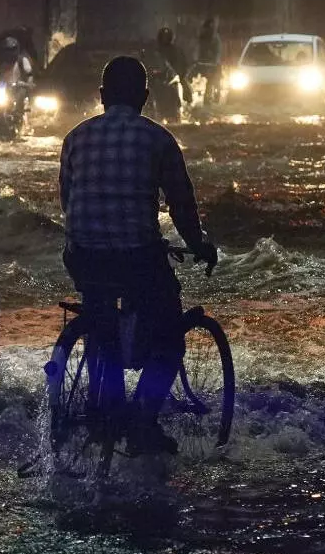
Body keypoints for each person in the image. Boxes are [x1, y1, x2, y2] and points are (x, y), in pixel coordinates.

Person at [59, 56, 218, 455]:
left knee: (100, 322)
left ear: (101, 96)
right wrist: (199, 246)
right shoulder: (158, 139)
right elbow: (182, 207)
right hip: (137, 259)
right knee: (169, 338)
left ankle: (101, 404)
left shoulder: (75, 138)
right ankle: (141, 422)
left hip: (84, 259)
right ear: (145, 97)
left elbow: (67, 201)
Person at [156, 27, 193, 104]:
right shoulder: (157, 49)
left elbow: (179, 65)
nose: (164, 38)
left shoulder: (175, 50)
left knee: (181, 82)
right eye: (163, 36)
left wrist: (177, 74)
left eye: (166, 36)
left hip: (174, 73)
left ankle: (186, 99)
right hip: (158, 72)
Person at [195, 18, 223, 105]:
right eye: (209, 27)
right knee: (210, 81)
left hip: (215, 63)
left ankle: (216, 97)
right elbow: (198, 49)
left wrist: (216, 61)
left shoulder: (216, 37)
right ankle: (207, 99)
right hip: (206, 63)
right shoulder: (202, 37)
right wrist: (197, 59)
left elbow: (218, 51)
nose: (210, 29)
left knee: (217, 81)